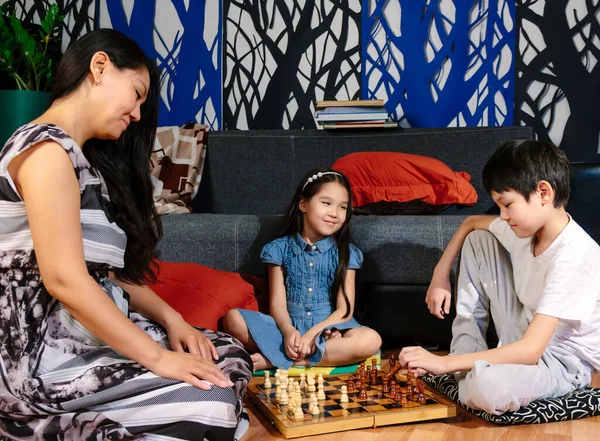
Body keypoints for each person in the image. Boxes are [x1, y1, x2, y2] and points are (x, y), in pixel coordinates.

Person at [0, 29, 252, 440]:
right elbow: (64, 279)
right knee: (214, 401)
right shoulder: (45, 152)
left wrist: (175, 321)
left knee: (224, 354)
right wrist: (157, 359)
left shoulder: (81, 161)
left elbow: (105, 277)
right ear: (99, 68)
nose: (137, 113)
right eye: (136, 93)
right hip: (35, 359)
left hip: (81, 334)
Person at [398, 139, 600, 415]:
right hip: (526, 330)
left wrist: (443, 364)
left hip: (563, 362)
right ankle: (468, 358)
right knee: (479, 239)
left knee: (487, 387)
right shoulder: (526, 229)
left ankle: (468, 369)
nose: (503, 216)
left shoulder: (573, 256)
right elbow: (471, 223)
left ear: (543, 193)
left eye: (507, 204)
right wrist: (440, 274)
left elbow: (530, 351)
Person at [223, 168, 382, 371]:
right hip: (285, 329)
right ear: (303, 204)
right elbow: (277, 304)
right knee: (233, 319)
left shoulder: (347, 253)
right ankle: (298, 353)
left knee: (370, 339)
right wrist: (288, 331)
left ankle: (284, 360)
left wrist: (315, 333)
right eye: (326, 203)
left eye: (343, 207)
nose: (334, 213)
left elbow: (345, 310)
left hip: (327, 329)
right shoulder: (278, 249)